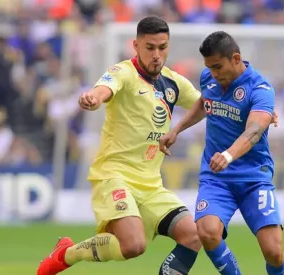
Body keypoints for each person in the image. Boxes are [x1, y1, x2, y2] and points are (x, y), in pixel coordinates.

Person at [37, 16, 202, 275]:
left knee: (193, 235)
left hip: (150, 184)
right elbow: (105, 88)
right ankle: (67, 253)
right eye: (150, 47)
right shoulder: (123, 72)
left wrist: (255, 110)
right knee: (134, 245)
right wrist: (94, 97)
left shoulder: (174, 83)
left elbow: (206, 105)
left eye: (162, 47)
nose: (157, 55)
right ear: (136, 46)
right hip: (114, 176)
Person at [159, 31, 284, 275]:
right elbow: (204, 102)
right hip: (216, 177)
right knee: (207, 231)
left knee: (274, 251)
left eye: (218, 67)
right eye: (209, 68)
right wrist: (177, 130)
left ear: (236, 58)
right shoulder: (209, 77)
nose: (214, 74)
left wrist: (227, 155)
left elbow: (255, 130)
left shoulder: (260, 88)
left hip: (253, 177)